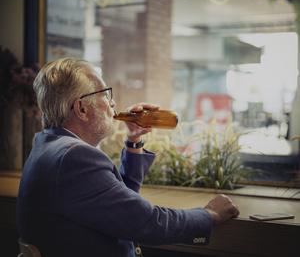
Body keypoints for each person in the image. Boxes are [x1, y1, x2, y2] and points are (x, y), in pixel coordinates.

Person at [17, 57, 239, 257]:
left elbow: (120, 208)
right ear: (81, 109)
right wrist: (210, 214)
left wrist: (133, 141)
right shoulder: (74, 157)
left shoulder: (47, 146)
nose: (113, 103)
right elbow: (148, 223)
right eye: (105, 95)